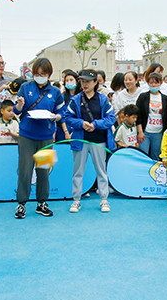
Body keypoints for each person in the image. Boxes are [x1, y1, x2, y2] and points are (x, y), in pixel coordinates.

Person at [13, 58, 64, 219]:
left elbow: (62, 113)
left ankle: (42, 203)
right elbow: (16, 110)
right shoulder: (25, 87)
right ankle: (21, 203)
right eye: (36, 73)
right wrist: (20, 105)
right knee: (25, 171)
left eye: (43, 74)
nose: (39, 76)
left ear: (49, 74)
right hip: (27, 135)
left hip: (46, 137)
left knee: (43, 171)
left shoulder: (55, 92)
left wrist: (56, 117)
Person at [63, 69, 115, 213]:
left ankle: (104, 200)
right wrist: (81, 124)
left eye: (88, 81)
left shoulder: (103, 99)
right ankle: (76, 200)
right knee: (78, 171)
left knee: (101, 171)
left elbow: (111, 118)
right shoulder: (75, 100)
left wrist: (95, 125)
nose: (84, 84)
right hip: (80, 141)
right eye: (82, 81)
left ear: (95, 82)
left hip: (99, 141)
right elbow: (68, 118)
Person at [136, 72, 167, 160]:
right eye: (151, 83)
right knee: (143, 156)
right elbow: (138, 115)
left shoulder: (165, 99)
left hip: (158, 132)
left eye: (156, 82)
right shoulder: (143, 97)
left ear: (160, 83)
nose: (153, 85)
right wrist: (140, 131)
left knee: (156, 156)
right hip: (145, 132)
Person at [57, 70, 79, 141]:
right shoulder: (62, 97)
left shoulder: (81, 97)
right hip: (63, 130)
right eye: (67, 80)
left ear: (77, 81)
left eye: (71, 80)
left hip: (78, 130)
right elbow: (62, 114)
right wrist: (66, 132)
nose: (69, 82)